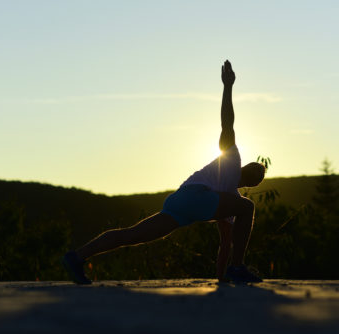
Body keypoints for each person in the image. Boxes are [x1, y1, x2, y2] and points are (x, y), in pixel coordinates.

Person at [62, 60, 266, 284]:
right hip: (194, 196)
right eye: (256, 170)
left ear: (253, 185)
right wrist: (228, 87)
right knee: (248, 207)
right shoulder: (230, 161)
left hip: (178, 204)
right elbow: (227, 124)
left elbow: (226, 243)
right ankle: (238, 269)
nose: (257, 175)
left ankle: (77, 256)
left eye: (259, 176)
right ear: (244, 168)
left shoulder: (229, 202)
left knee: (133, 235)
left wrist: (221, 282)